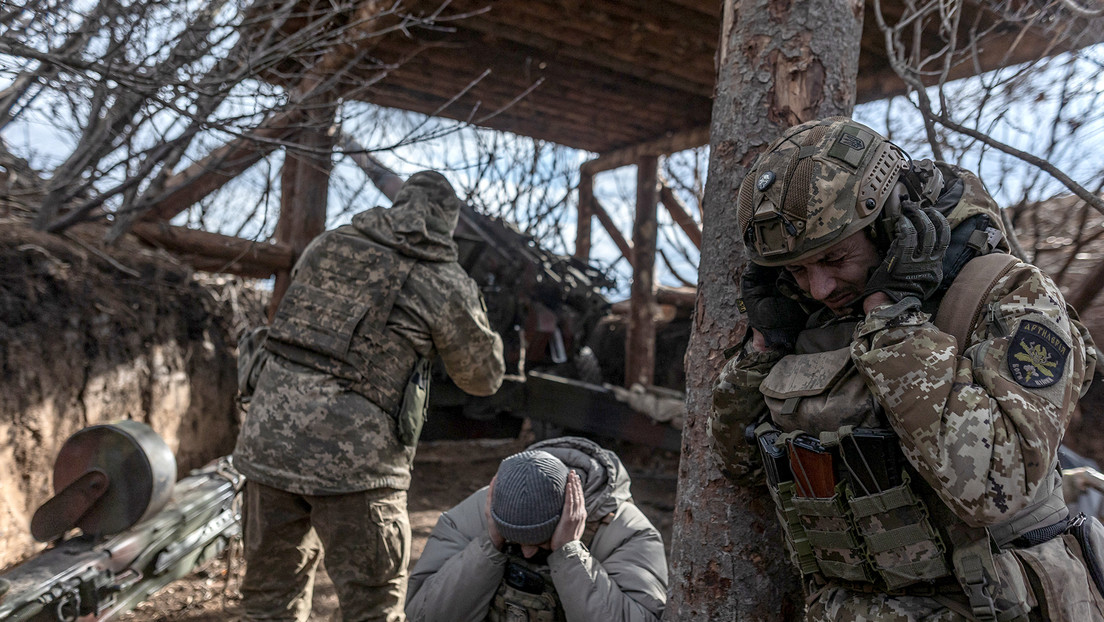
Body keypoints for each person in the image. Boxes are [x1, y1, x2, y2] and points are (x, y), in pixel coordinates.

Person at [710, 117, 1103, 621]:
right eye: (797, 270)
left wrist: (893, 325)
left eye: (835, 258)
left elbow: (994, 487)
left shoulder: (1005, 295)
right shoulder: (812, 313)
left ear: (891, 226)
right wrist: (763, 349)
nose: (819, 288)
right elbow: (741, 465)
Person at [233, 171, 505, 622]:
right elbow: (483, 378)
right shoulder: (444, 279)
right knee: (373, 609)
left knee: (267, 602)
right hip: (357, 466)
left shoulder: (329, 242)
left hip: (267, 442)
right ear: (448, 222)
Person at [405, 436, 668, 622]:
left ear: (571, 516)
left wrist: (569, 553)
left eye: (540, 542)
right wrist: (489, 545)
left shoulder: (626, 532)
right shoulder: (485, 508)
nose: (528, 553)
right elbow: (422, 616)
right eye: (516, 541)